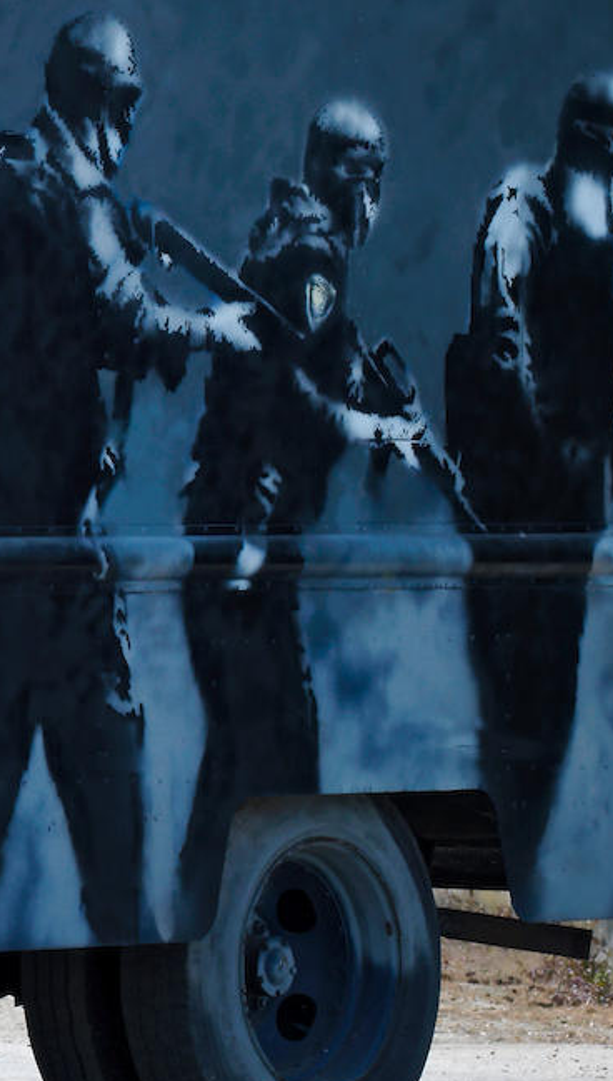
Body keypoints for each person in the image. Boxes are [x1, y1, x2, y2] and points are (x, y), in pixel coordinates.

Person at [0, 13, 255, 947]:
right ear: (100, 97)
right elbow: (123, 316)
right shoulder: (72, 191)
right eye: (124, 102)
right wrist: (215, 329)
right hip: (60, 556)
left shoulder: (4, 178)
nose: (128, 126)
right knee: (111, 795)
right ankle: (137, 971)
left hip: (0, 538)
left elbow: (52, 325)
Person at [177, 98, 454, 927]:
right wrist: (380, 430)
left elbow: (307, 362)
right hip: (248, 553)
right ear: (357, 180)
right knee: (285, 753)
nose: (371, 202)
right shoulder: (310, 255)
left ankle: (189, 918)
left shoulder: (285, 244)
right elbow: (292, 399)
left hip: (234, 546)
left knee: (236, 761)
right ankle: (226, 931)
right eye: (369, 181)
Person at [445, 69, 613, 909]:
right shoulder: (522, 212)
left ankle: (524, 867)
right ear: (592, 149)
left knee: (549, 716)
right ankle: (513, 858)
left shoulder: (600, 240)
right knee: (513, 719)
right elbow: (499, 340)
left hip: (565, 533)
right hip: (513, 526)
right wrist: (550, 451)